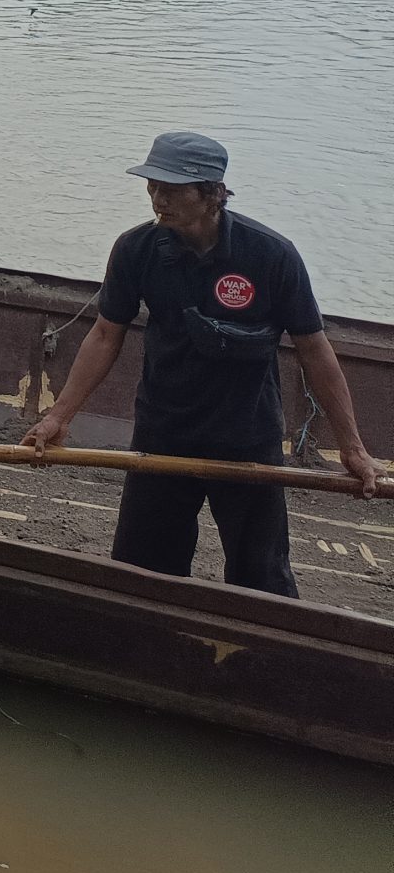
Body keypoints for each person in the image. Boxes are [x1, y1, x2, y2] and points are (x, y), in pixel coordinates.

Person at [24, 132, 381, 598]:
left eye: (172, 189)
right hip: (163, 432)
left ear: (213, 194)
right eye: (152, 185)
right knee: (142, 572)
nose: (158, 198)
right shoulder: (136, 250)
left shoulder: (271, 255)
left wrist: (352, 448)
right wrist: (58, 417)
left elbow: (314, 349)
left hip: (247, 437)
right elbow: (105, 334)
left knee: (262, 577)